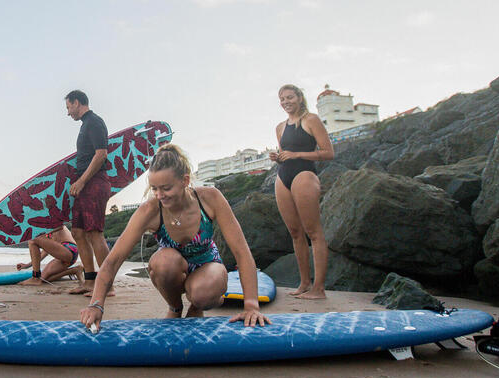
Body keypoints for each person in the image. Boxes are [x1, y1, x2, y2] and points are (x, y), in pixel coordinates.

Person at [79, 143, 271, 331]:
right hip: (172, 271)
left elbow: (241, 252)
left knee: (203, 292)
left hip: (207, 265)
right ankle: (175, 307)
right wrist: (96, 304)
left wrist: (251, 305)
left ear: (185, 181)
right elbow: (113, 260)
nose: (159, 194)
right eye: (154, 188)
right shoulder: (149, 211)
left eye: (166, 188)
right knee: (163, 261)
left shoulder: (210, 198)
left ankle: (197, 306)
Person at [269, 84, 334, 299]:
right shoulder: (280, 127)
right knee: (295, 233)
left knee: (313, 232)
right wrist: (277, 157)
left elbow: (328, 153)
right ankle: (305, 283)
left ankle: (319, 288)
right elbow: (283, 153)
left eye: (290, 97)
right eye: (282, 99)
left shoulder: (311, 120)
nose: (286, 102)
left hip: (304, 175)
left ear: (299, 98)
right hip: (283, 177)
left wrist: (296, 155)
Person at [65, 90, 112, 292]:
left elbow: (101, 154)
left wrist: (82, 181)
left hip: (94, 183)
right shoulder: (85, 125)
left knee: (94, 233)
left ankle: (107, 285)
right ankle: (90, 281)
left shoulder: (94, 121)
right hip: (85, 185)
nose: (68, 113)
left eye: (68, 107)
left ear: (77, 102)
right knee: (78, 232)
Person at [16, 225, 86, 291]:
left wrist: (44, 233)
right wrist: (27, 265)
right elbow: (45, 252)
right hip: (64, 255)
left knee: (33, 240)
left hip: (69, 248)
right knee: (44, 279)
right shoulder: (47, 234)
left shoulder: (51, 221)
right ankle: (75, 270)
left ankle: (35, 277)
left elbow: (61, 226)